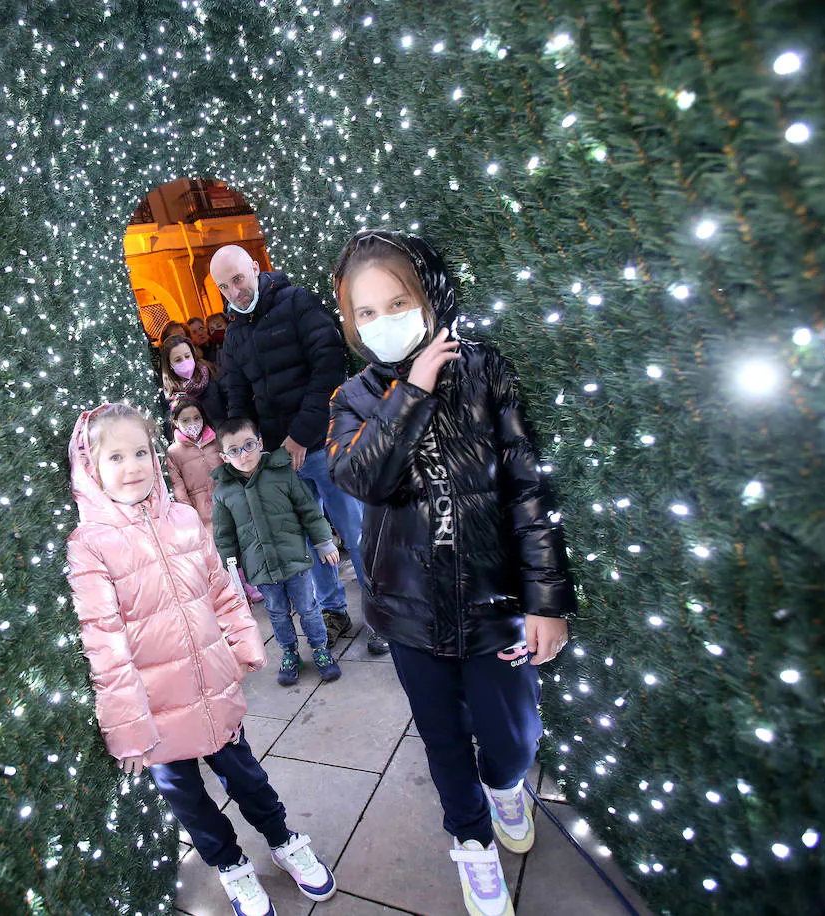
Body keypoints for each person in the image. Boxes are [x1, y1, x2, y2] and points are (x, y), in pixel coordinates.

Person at [326, 230, 574, 916]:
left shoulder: (487, 370)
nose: (381, 322)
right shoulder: (352, 397)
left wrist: (546, 599)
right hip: (409, 612)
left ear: (428, 297)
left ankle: (504, 788)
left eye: (396, 302)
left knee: (514, 740)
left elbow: (527, 488)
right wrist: (411, 390)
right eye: (365, 311)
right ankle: (470, 843)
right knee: (442, 742)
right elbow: (360, 477)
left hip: (493, 604)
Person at [65, 402, 339, 916]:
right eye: (116, 457)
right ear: (90, 468)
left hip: (213, 688)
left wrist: (243, 643)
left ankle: (283, 840)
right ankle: (231, 866)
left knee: (247, 776)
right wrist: (127, 726)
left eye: (142, 452)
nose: (133, 467)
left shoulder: (185, 519)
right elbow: (103, 642)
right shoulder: (90, 547)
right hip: (157, 713)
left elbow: (221, 591)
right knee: (189, 800)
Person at [210, 244, 387, 655]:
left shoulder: (297, 302)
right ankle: (333, 611)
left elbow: (328, 366)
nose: (234, 291)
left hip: (324, 444)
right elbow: (237, 398)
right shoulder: (234, 335)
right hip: (277, 458)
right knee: (307, 542)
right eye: (224, 286)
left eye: (238, 278)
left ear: (255, 268)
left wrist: (301, 435)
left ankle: (380, 614)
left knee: (356, 531)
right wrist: (245, 452)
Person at [211, 417, 343, 686]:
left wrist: (323, 542)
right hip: (260, 567)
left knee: (308, 607)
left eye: (249, 445)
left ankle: (320, 648)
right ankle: (289, 653)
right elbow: (224, 536)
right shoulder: (223, 493)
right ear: (225, 457)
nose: (244, 454)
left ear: (260, 443)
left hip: (295, 559)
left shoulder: (282, 473)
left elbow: (309, 510)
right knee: (277, 612)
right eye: (234, 450)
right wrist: (230, 571)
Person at [166, 398, 266, 605]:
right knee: (222, 551)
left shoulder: (216, 440)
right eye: (185, 420)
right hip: (202, 510)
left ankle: (252, 581)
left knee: (243, 541)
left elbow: (231, 466)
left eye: (196, 418)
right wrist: (188, 513)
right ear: (176, 423)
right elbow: (178, 486)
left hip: (229, 501)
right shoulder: (174, 453)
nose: (192, 423)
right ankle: (236, 589)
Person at [160, 335, 227, 427]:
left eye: (187, 356)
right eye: (178, 360)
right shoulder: (170, 394)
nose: (185, 361)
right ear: (170, 365)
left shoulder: (211, 372)